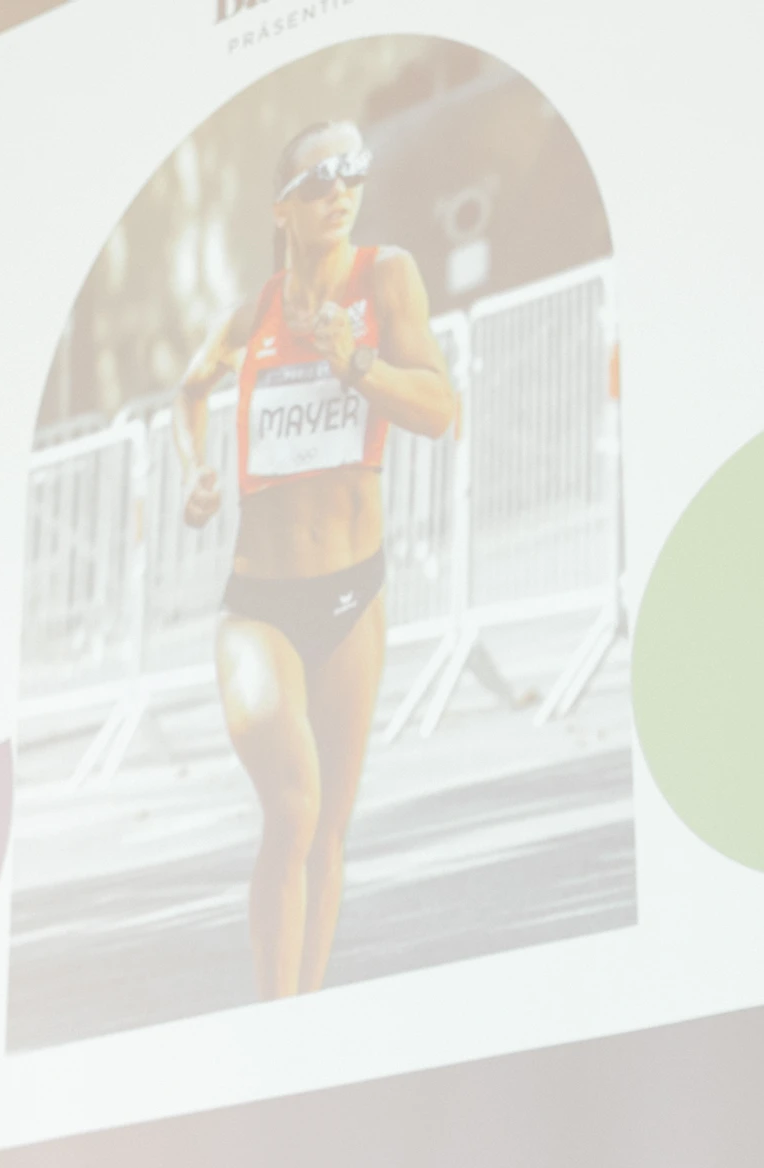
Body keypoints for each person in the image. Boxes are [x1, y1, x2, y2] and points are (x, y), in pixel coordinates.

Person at [173, 119, 457, 999]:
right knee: (293, 807)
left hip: (353, 595)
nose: (341, 190)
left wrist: (359, 364)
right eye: (321, 179)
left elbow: (440, 408)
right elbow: (188, 390)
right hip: (258, 609)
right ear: (283, 207)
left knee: (329, 829)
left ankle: (303, 1024)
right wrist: (195, 471)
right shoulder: (251, 315)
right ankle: (273, 1011)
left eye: (353, 172)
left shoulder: (386, 277)